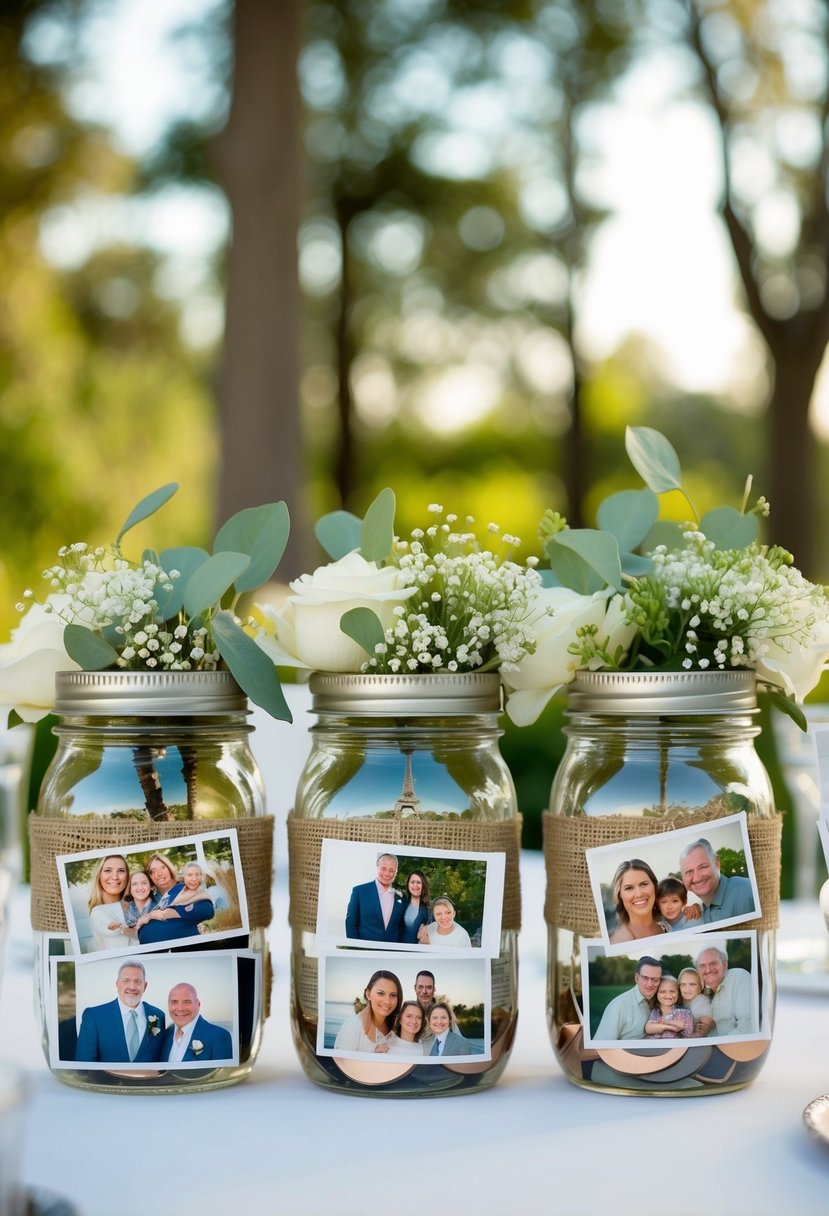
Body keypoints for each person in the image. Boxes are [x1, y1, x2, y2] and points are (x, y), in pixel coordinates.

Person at [75, 959, 166, 1063]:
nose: (132, 987)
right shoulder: (94, 1016)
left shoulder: (159, 1016)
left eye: (137, 981)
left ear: (145, 986)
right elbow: (84, 1065)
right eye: (126, 980)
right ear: (117, 984)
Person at [135, 855, 215, 945]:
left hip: (186, 948)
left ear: (170, 869)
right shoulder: (149, 900)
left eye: (163, 868)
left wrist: (167, 913)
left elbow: (207, 910)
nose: (159, 874)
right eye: (153, 871)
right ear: (150, 877)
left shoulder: (186, 889)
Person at [680, 839, 755, 924]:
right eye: (689, 872)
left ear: (717, 864)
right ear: (683, 877)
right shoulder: (699, 911)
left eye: (703, 867)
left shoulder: (748, 891)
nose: (697, 878)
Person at [593, 956, 662, 1041]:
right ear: (637, 978)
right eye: (645, 978)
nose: (650, 984)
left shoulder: (659, 1001)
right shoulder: (619, 1005)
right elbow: (600, 1046)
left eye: (655, 980)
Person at [162, 982, 233, 1063]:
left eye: (187, 1002)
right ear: (168, 1005)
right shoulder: (164, 1035)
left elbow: (222, 1074)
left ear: (198, 1004)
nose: (180, 1008)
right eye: (174, 1002)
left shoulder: (219, 1036)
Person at [333, 970, 402, 1053]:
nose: (387, 1001)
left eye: (393, 995)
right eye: (381, 993)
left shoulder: (396, 1027)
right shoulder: (353, 1025)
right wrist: (373, 1055)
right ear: (368, 994)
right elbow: (341, 1063)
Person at [344, 853, 405, 942]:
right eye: (383, 868)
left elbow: (401, 926)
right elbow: (351, 923)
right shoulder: (359, 891)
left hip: (392, 951)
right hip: (366, 950)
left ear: (396, 873)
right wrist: (356, 948)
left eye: (391, 870)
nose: (387, 873)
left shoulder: (401, 897)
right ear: (377, 868)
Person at [695, 945, 754, 1034]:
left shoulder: (739, 977)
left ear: (724, 965)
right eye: (702, 966)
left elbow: (747, 1028)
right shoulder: (710, 997)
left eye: (713, 963)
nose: (708, 970)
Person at [607, 860, 668, 944]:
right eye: (629, 888)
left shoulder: (669, 924)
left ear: (654, 886)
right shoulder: (618, 941)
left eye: (644, 884)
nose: (639, 894)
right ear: (619, 895)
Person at [86, 854, 132, 950]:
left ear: (127, 877)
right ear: (99, 876)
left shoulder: (137, 906)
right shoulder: (97, 914)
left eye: (121, 871)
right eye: (108, 870)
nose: (115, 877)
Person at [678, 966, 715, 1037]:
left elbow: (706, 1022)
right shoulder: (681, 1002)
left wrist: (694, 1036)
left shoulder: (700, 1000)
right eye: (683, 985)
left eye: (692, 984)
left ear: (700, 987)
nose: (687, 989)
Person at [401, 869, 431, 944]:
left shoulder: (428, 908)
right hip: (398, 950)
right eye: (412, 882)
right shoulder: (402, 903)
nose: (415, 885)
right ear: (408, 884)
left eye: (418, 882)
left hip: (417, 951)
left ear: (423, 885)